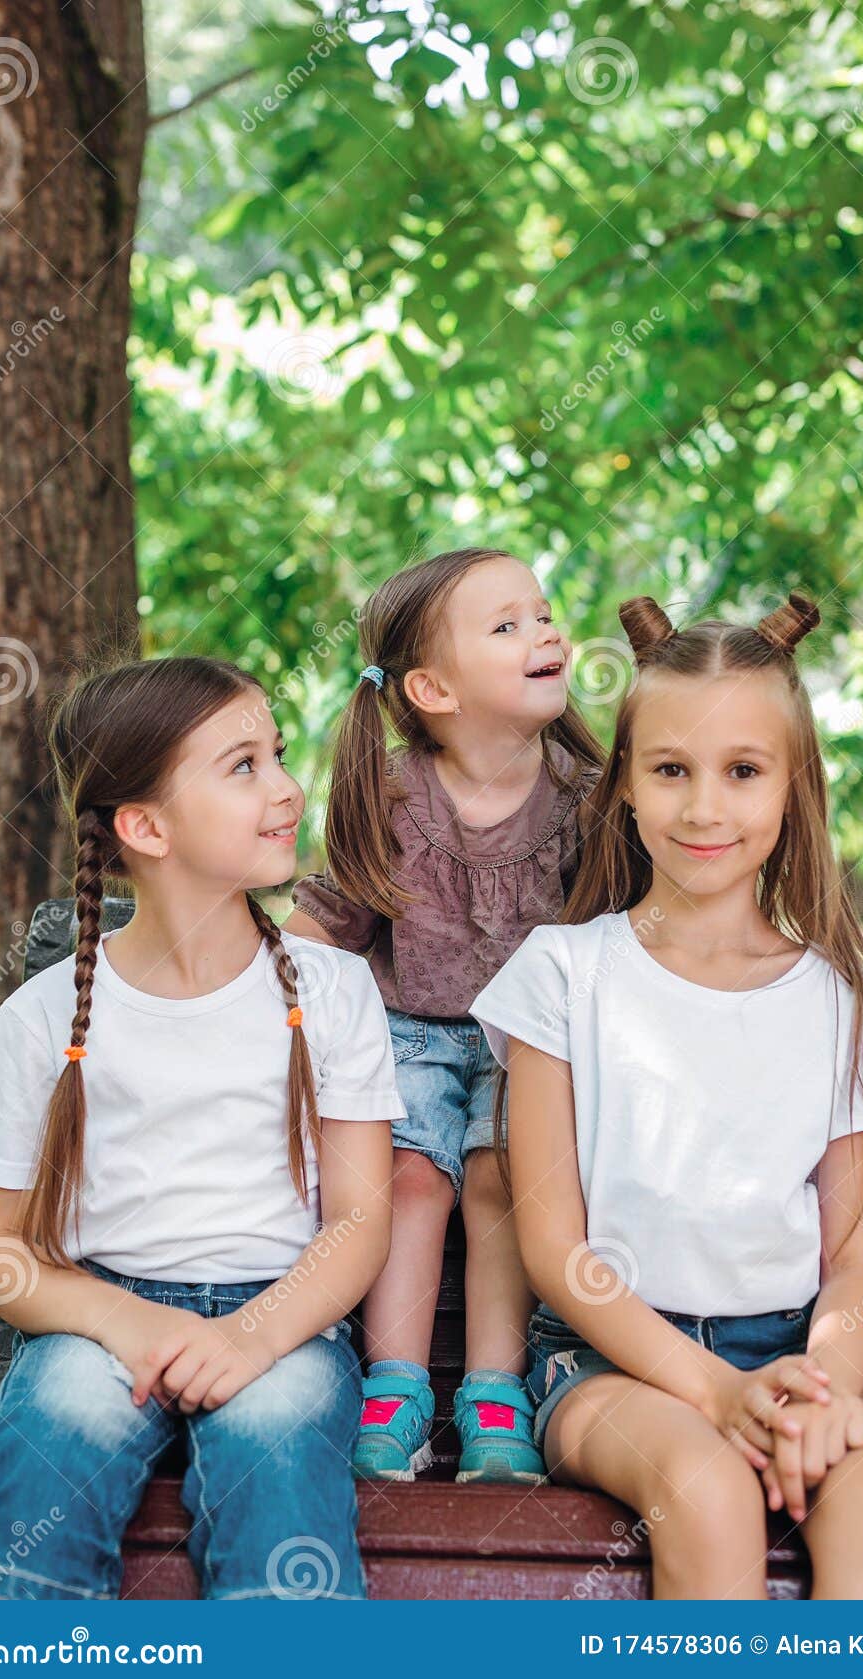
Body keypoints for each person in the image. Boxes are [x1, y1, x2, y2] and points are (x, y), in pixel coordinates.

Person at [471, 592, 863, 1599]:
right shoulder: (562, 974)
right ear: (624, 788)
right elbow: (555, 1251)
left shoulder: (840, 999)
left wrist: (823, 1393)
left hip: (790, 1356)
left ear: (789, 788)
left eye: (740, 772)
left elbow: (854, 1262)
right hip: (608, 1371)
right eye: (669, 770)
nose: (702, 808)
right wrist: (715, 1392)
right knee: (705, 1487)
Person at [0, 656, 401, 1600]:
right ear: (145, 827)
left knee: (279, 1468)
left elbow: (359, 1221)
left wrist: (251, 1338)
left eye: (275, 752)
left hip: (284, 1320)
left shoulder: (334, 991)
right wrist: (126, 1320)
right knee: (45, 1460)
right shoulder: (42, 1016)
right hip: (94, 1324)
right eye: (242, 766)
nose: (285, 786)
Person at [285, 547, 604, 1482]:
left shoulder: (588, 797)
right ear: (430, 687)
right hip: (407, 1033)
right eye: (505, 626)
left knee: (503, 1174)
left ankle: (495, 1397)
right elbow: (326, 925)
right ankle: (395, 1391)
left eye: (541, 613)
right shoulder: (391, 793)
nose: (543, 631)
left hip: (533, 1050)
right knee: (410, 1179)